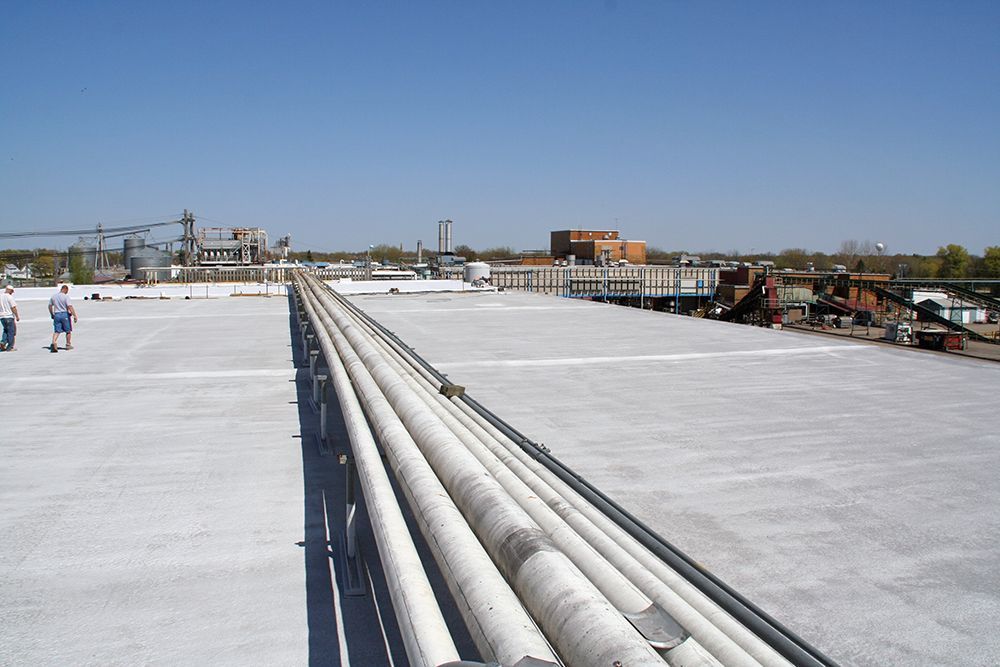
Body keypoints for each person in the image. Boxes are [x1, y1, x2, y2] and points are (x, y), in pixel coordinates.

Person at [48, 284, 78, 353]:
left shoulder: (54, 296)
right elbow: (69, 306)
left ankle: (54, 342)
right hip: (64, 314)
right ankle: (68, 344)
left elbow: (49, 306)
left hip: (57, 314)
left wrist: (52, 314)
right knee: (68, 331)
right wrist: (74, 315)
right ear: (66, 290)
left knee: (57, 331)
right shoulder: (65, 297)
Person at [0, 284, 19, 351]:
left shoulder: (0, 296)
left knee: (5, 330)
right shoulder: (9, 297)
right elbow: (13, 307)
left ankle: (3, 342)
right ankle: (10, 347)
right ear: (10, 290)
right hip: (9, 316)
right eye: (12, 291)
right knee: (11, 332)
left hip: (2, 317)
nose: (12, 293)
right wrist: (17, 316)